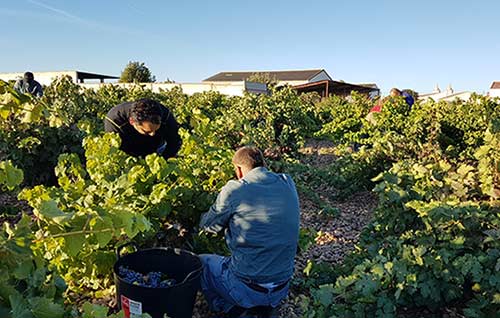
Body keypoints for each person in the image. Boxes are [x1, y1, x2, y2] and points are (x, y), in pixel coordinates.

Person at [199, 146, 300, 317]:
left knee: (202, 263)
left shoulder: (235, 189)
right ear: (263, 164)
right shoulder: (287, 182)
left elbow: (209, 226)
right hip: (282, 287)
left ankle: (231, 309)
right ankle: (264, 307)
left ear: (238, 170)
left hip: (248, 288)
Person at [104, 98, 181, 159]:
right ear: (132, 121)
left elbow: (174, 142)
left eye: (156, 130)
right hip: (130, 150)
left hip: (158, 147)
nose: (152, 134)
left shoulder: (165, 115)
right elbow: (115, 151)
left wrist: (164, 161)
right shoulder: (114, 120)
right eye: (147, 132)